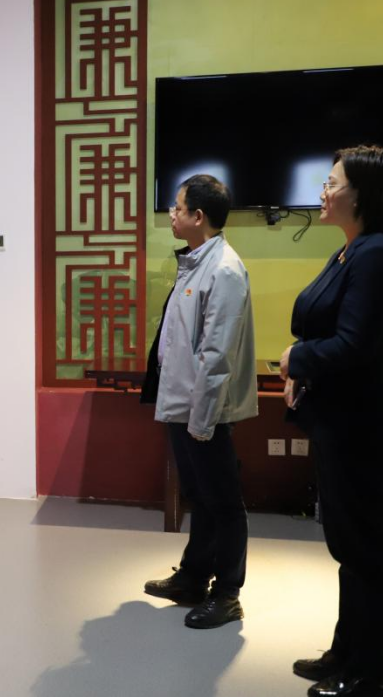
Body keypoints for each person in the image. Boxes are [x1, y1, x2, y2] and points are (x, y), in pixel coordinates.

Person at [280, 146, 383, 698]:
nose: (323, 191)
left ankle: (372, 674)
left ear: (362, 194)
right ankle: (347, 651)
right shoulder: (349, 251)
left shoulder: (377, 254)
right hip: (340, 422)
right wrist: (302, 364)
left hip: (364, 427)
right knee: (349, 546)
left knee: (369, 551)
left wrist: (297, 359)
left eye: (333, 182)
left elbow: (355, 344)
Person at [140, 174, 258, 629]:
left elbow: (216, 354)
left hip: (203, 409)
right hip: (184, 403)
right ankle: (193, 577)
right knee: (201, 497)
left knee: (223, 501)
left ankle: (227, 593)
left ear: (198, 216)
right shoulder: (195, 262)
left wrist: (203, 420)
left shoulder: (224, 269)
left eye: (177, 207)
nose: (171, 214)